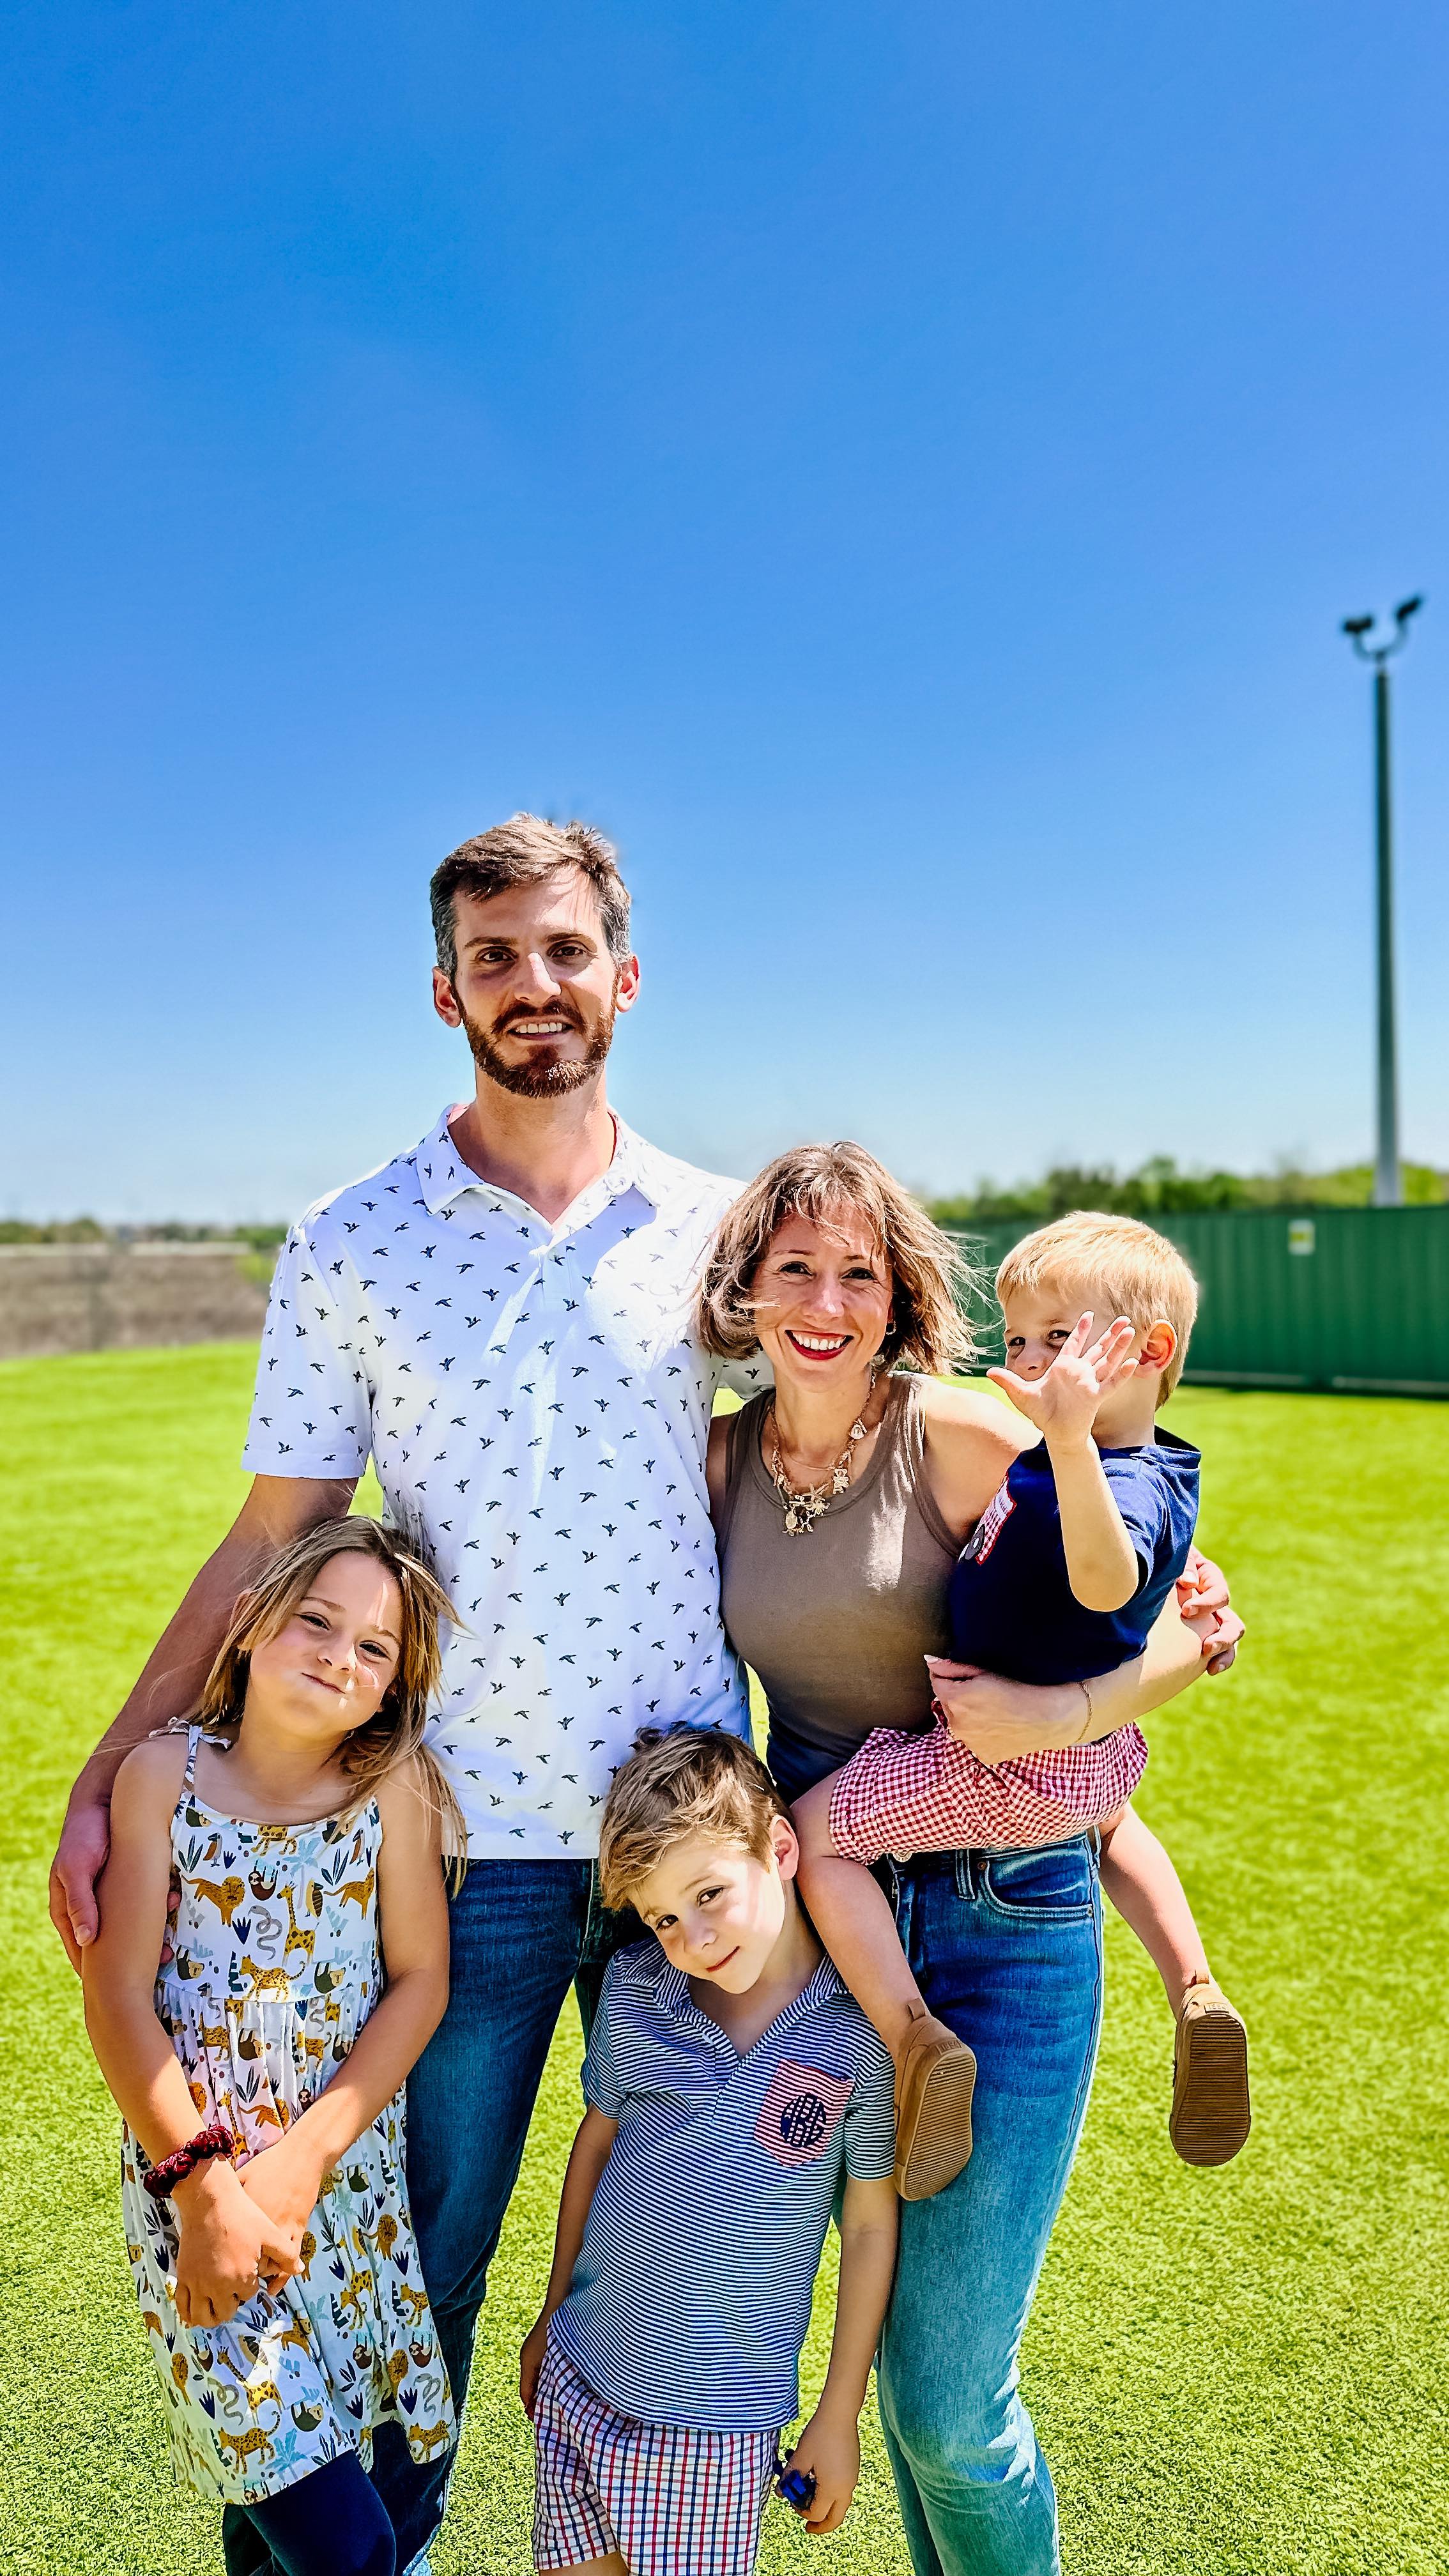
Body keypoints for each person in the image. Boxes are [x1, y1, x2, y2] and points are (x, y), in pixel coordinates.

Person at [49, 813, 765, 2575]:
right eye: (498, 956)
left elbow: (854, 1439)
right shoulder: (350, 1239)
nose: (536, 984)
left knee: (694, 2263)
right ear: (445, 986)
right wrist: (121, 1756)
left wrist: (1119, 1566)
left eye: (565, 950)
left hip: (692, 1847)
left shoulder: (720, 1231)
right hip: (463, 1855)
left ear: (627, 975)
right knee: (402, 2292)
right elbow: (278, 1532)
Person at [700, 1142, 1243, 2576]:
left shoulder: (968, 1432)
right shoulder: (713, 1459)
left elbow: (1171, 1623)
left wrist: (1071, 1712)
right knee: (900, 2376)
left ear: (899, 1302)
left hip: (1009, 1917)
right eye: (794, 1267)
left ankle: (1172, 1985)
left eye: (859, 1273)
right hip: (826, 1939)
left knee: (945, 2404)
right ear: (746, 1287)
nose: (824, 1300)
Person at [794, 1209, 1251, 2189]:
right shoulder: (1111, 1459)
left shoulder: (1117, 1477)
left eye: (1063, 1340)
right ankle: (1196, 1990)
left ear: (1152, 1351)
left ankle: (915, 2038)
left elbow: (1105, 1577)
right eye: (1024, 1341)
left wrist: (1074, 1443)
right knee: (1111, 1822)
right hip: (1086, 1761)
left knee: (812, 1836)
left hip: (996, 1760)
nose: (1035, 1363)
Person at [80, 1518, 459, 2576]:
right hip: (195, 2198)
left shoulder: (397, 1792)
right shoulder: (164, 1779)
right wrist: (203, 2193)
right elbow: (115, 1999)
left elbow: (420, 1984)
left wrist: (302, 2164)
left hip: (344, 2203)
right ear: (251, 1627)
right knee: (347, 2547)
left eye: (376, 1648)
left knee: (278, 2533)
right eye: (317, 1621)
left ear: (395, 1685)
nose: (341, 1655)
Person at [518, 1725, 899, 2576]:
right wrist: (550, 2312)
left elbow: (871, 2223)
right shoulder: (635, 1991)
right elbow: (596, 2142)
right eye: (660, 1916)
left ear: (782, 1849)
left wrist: (840, 2414)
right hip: (582, 2374)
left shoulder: (858, 2035)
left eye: (709, 1894)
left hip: (716, 2428)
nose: (689, 1936)